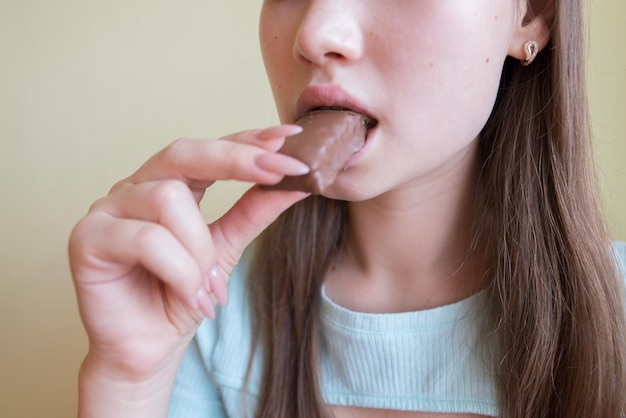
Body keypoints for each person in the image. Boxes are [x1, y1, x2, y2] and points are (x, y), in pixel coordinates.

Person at [68, 0, 626, 417]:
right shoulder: (205, 306)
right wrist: (128, 381)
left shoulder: (616, 322)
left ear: (530, 14)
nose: (314, 33)